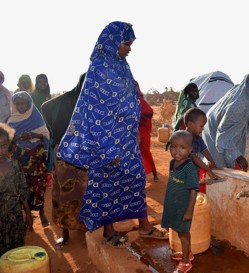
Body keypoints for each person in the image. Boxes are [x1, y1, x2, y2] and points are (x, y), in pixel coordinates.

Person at [56, 21, 168, 247]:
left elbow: (129, 101)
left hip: (126, 139)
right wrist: (108, 147)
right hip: (105, 141)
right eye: (126, 43)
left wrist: (134, 129)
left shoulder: (122, 65)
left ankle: (144, 226)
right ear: (113, 42)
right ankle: (109, 231)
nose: (129, 48)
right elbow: (93, 109)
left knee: (136, 180)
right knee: (106, 185)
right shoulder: (99, 68)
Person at [41, 73, 88, 247]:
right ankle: (65, 232)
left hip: (85, 153)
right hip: (65, 154)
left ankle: (83, 226)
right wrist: (55, 131)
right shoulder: (66, 100)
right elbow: (45, 107)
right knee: (64, 195)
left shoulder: (92, 103)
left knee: (84, 193)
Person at [202, 67, 249, 170]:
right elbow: (223, 135)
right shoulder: (239, 104)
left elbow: (240, 122)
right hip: (214, 130)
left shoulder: (248, 95)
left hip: (225, 128)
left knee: (230, 164)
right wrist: (237, 156)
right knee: (220, 168)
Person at [7, 91, 50, 227]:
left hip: (35, 157)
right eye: (18, 104)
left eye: (23, 103)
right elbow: (7, 143)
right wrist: (18, 138)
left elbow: (45, 136)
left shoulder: (37, 117)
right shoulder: (11, 121)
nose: (21, 106)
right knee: (22, 186)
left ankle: (41, 212)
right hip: (20, 159)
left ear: (29, 103)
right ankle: (27, 214)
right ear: (14, 105)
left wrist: (33, 134)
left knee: (38, 185)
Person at [161, 130, 198, 273]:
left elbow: (194, 190)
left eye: (182, 148)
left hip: (184, 207)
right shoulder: (172, 163)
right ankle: (187, 253)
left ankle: (186, 262)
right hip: (174, 204)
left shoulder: (190, 168)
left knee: (183, 232)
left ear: (190, 149)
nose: (177, 151)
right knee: (177, 229)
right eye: (173, 147)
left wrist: (189, 211)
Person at [0, 123, 33, 256]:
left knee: (15, 253)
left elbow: (22, 191)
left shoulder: (14, 166)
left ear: (9, 144)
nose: (0, 150)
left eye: (3, 146)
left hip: (15, 219)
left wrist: (28, 214)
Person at [184, 108, 220, 192]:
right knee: (187, 191)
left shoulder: (197, 138)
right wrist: (208, 169)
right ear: (190, 124)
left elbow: (205, 151)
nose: (203, 129)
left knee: (194, 189)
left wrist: (213, 163)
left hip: (194, 170)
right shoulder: (185, 138)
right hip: (184, 172)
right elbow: (194, 157)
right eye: (201, 126)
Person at [137, 81, 158, 181]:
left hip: (142, 132)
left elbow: (149, 112)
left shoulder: (139, 100)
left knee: (144, 153)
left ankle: (152, 173)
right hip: (138, 132)